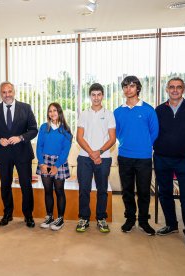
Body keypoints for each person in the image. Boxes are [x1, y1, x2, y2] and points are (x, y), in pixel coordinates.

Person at [154, 77, 185, 250]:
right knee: (164, 193)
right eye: (172, 87)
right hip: (161, 158)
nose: (175, 90)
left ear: (183, 90)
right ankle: (171, 225)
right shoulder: (159, 110)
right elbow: (153, 132)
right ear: (167, 90)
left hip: (184, 160)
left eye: (179, 87)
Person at [0, 81, 38, 228]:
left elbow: (34, 129)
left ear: (14, 92)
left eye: (9, 91)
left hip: (23, 153)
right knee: (5, 186)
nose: (7, 95)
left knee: (26, 185)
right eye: (4, 92)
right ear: (0, 94)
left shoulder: (25, 108)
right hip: (3, 154)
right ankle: (7, 213)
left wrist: (21, 137)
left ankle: (28, 215)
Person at [114, 76, 159, 235]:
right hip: (125, 156)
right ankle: (130, 219)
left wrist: (144, 145)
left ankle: (144, 221)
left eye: (131, 86)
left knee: (144, 191)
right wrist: (127, 142)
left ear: (138, 88)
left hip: (144, 157)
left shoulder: (148, 110)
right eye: (125, 86)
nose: (128, 89)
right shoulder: (118, 111)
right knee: (127, 190)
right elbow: (117, 133)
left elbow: (154, 132)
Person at [76, 83, 116, 233]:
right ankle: (84, 218)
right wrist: (92, 153)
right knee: (84, 189)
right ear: (90, 96)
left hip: (104, 158)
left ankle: (101, 218)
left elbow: (112, 139)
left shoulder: (109, 114)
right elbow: (79, 137)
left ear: (103, 96)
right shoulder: (84, 114)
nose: (96, 98)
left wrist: (98, 152)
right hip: (85, 158)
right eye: (93, 95)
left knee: (102, 189)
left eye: (99, 94)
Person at [36, 103, 72, 231]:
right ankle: (50, 216)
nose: (52, 113)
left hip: (59, 163)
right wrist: (41, 163)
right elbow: (39, 146)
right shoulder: (44, 127)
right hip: (44, 161)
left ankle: (60, 218)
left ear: (59, 112)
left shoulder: (66, 130)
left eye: (55, 110)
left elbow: (65, 150)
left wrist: (56, 166)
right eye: (50, 111)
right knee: (47, 190)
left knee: (59, 190)